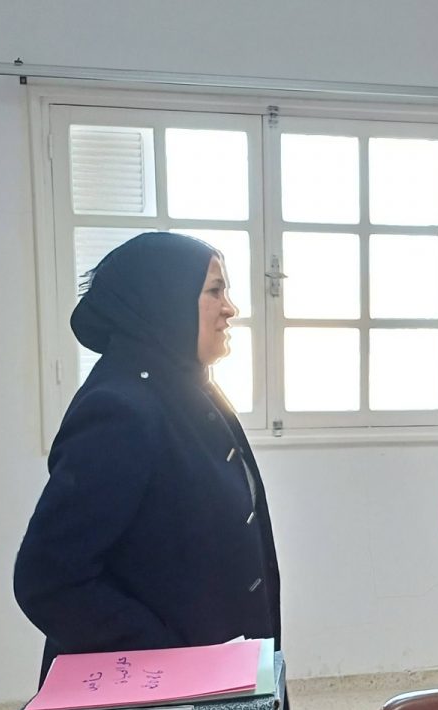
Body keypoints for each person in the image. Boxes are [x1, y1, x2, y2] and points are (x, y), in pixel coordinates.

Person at [15, 231, 280, 682]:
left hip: (214, 673)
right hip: (158, 694)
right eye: (214, 291)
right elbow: (49, 579)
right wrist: (166, 658)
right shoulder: (121, 409)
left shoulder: (187, 389)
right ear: (165, 300)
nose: (230, 308)